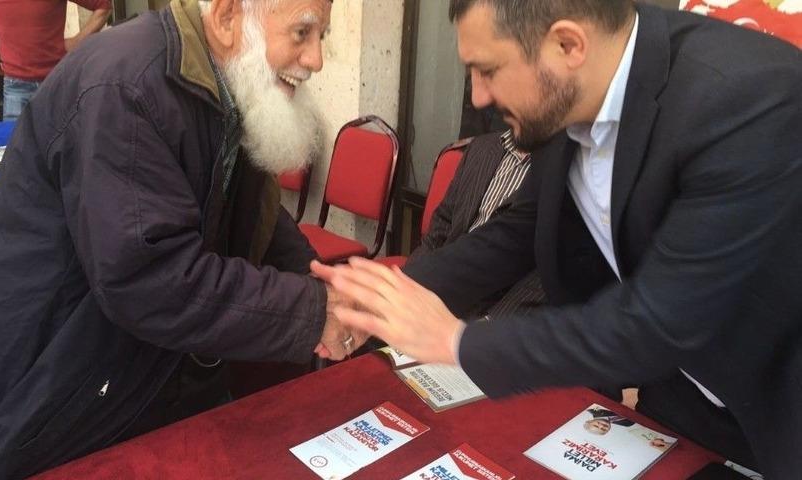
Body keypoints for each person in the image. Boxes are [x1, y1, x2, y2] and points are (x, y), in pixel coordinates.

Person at [313, 1, 802, 478]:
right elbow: (514, 233)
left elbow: (660, 322)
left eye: (489, 70)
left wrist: (457, 341)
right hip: (678, 398)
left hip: (779, 406)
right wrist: (374, 302)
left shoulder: (745, 96)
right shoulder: (567, 97)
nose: (479, 97)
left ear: (567, 44)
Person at [0, 0, 358, 478]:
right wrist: (313, 311)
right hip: (56, 378)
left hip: (143, 366)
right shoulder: (126, 87)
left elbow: (253, 215)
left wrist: (322, 284)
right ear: (227, 18)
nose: (316, 60)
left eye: (321, 36)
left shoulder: (227, 81)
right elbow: (150, 276)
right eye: (302, 33)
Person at [410, 129, 544, 316]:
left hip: (497, 312)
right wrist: (407, 284)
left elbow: (543, 276)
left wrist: (485, 329)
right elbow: (442, 223)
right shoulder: (481, 147)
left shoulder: (566, 171)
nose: (478, 101)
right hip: (442, 285)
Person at [0, 0, 111, 121]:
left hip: (56, 83)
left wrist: (78, 40)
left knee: (62, 152)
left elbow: (103, 6)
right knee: (15, 155)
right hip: (16, 87)